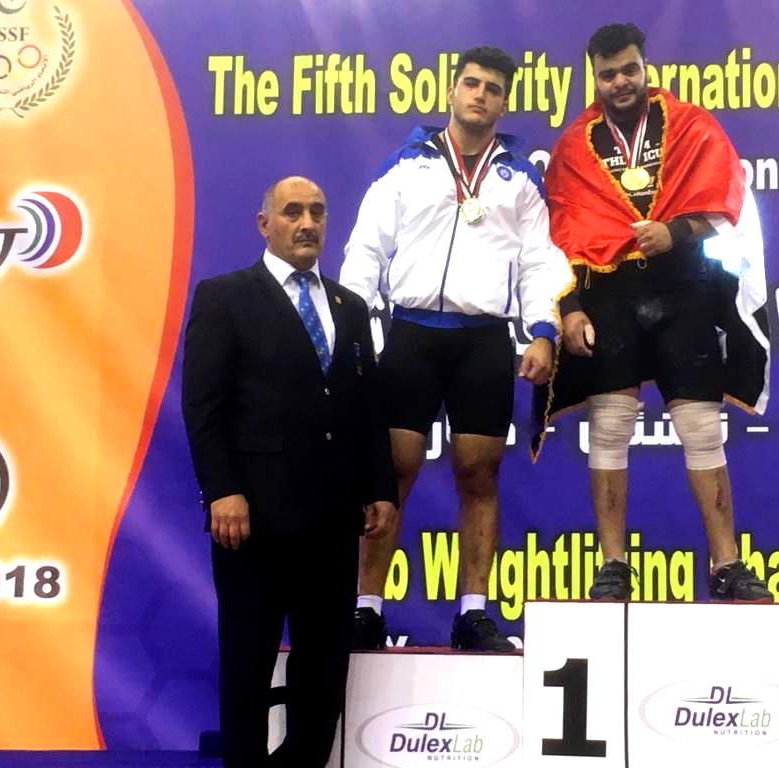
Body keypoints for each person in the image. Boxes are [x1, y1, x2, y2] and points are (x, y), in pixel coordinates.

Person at [341, 46, 572, 651]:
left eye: (492, 89)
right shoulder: (406, 165)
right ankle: (365, 608)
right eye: (471, 84)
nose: (480, 95)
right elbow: (367, 249)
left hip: (482, 341)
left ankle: (473, 613)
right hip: (411, 334)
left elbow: (538, 262)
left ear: (503, 102)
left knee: (479, 472)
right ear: (451, 91)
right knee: (391, 472)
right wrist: (355, 329)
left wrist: (542, 331)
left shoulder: (519, 178)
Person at [533, 24, 773, 602]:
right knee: (610, 427)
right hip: (609, 297)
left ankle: (726, 564)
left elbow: (724, 202)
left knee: (702, 428)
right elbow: (556, 239)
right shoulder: (574, 146)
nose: (620, 82)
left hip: (682, 290)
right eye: (608, 74)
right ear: (594, 78)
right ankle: (613, 565)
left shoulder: (690, 125)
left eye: (629, 70)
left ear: (646, 68)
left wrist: (676, 231)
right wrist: (570, 309)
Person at [182, 176, 397, 767]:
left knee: (324, 669)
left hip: (333, 521)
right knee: (247, 662)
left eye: (317, 213)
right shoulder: (225, 297)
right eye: (293, 212)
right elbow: (203, 406)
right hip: (252, 520)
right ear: (265, 224)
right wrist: (222, 490)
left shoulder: (350, 307)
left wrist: (380, 487)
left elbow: (366, 406)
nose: (307, 224)